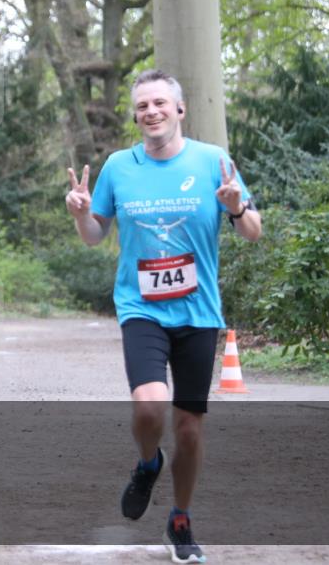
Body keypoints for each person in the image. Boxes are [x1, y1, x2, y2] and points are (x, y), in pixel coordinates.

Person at [65, 69, 262, 564]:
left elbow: (253, 231)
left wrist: (237, 208)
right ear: (137, 116)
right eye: (141, 107)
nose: (150, 112)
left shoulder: (214, 161)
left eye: (159, 104)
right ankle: (148, 463)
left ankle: (180, 518)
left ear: (179, 110)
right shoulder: (118, 166)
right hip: (141, 308)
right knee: (150, 409)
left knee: (190, 428)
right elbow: (94, 235)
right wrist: (80, 213)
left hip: (199, 312)